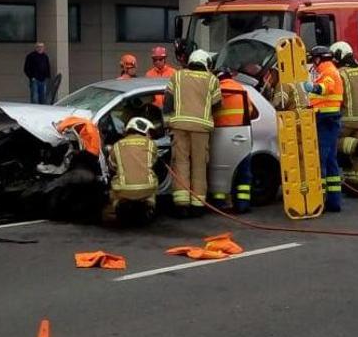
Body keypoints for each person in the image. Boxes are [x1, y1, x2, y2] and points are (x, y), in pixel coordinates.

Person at [164, 49, 221, 217]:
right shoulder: (212, 80)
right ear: (205, 63)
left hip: (179, 126)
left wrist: (167, 124)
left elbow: (167, 102)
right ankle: (198, 205)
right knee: (199, 165)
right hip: (201, 129)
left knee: (181, 163)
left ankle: (181, 204)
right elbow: (218, 105)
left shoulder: (177, 76)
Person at [303, 45, 344, 212]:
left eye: (313, 58)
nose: (313, 62)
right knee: (330, 160)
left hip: (326, 119)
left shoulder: (328, 71)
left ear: (319, 58)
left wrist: (313, 88)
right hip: (329, 119)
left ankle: (319, 198)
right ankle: (333, 202)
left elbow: (326, 87)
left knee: (320, 158)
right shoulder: (327, 70)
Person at [330, 41, 358, 196]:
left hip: (347, 119)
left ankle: (357, 145)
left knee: (332, 144)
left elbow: (337, 98)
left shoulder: (340, 73)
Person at [211, 70, 256, 214]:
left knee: (218, 171)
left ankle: (219, 203)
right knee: (244, 173)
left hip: (219, 135)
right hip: (240, 134)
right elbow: (250, 111)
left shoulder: (216, 91)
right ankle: (243, 204)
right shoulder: (241, 89)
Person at [104, 117, 159, 226]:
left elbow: (112, 166)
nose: (150, 135)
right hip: (146, 188)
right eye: (149, 132)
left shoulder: (117, 145)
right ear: (144, 130)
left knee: (113, 189)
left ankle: (117, 207)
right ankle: (150, 206)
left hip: (123, 189)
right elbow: (152, 163)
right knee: (153, 181)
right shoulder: (151, 144)